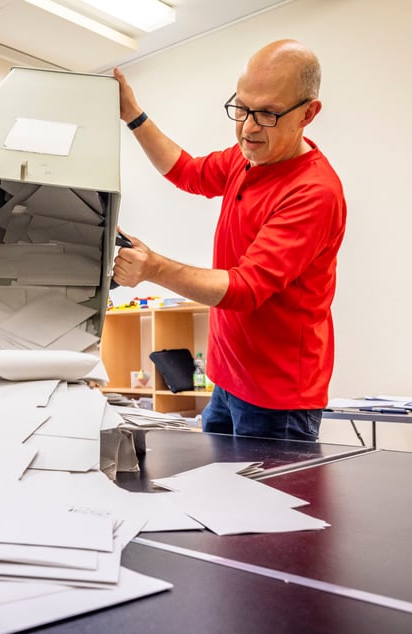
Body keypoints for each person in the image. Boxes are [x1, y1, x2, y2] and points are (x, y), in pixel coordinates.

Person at [112, 39, 346, 441]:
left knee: (266, 505)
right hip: (226, 379)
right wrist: (132, 114)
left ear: (308, 113)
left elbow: (245, 288)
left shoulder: (313, 191)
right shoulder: (248, 158)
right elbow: (186, 171)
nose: (249, 127)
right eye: (241, 107)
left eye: (268, 113)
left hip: (277, 400)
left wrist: (154, 268)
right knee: (217, 500)